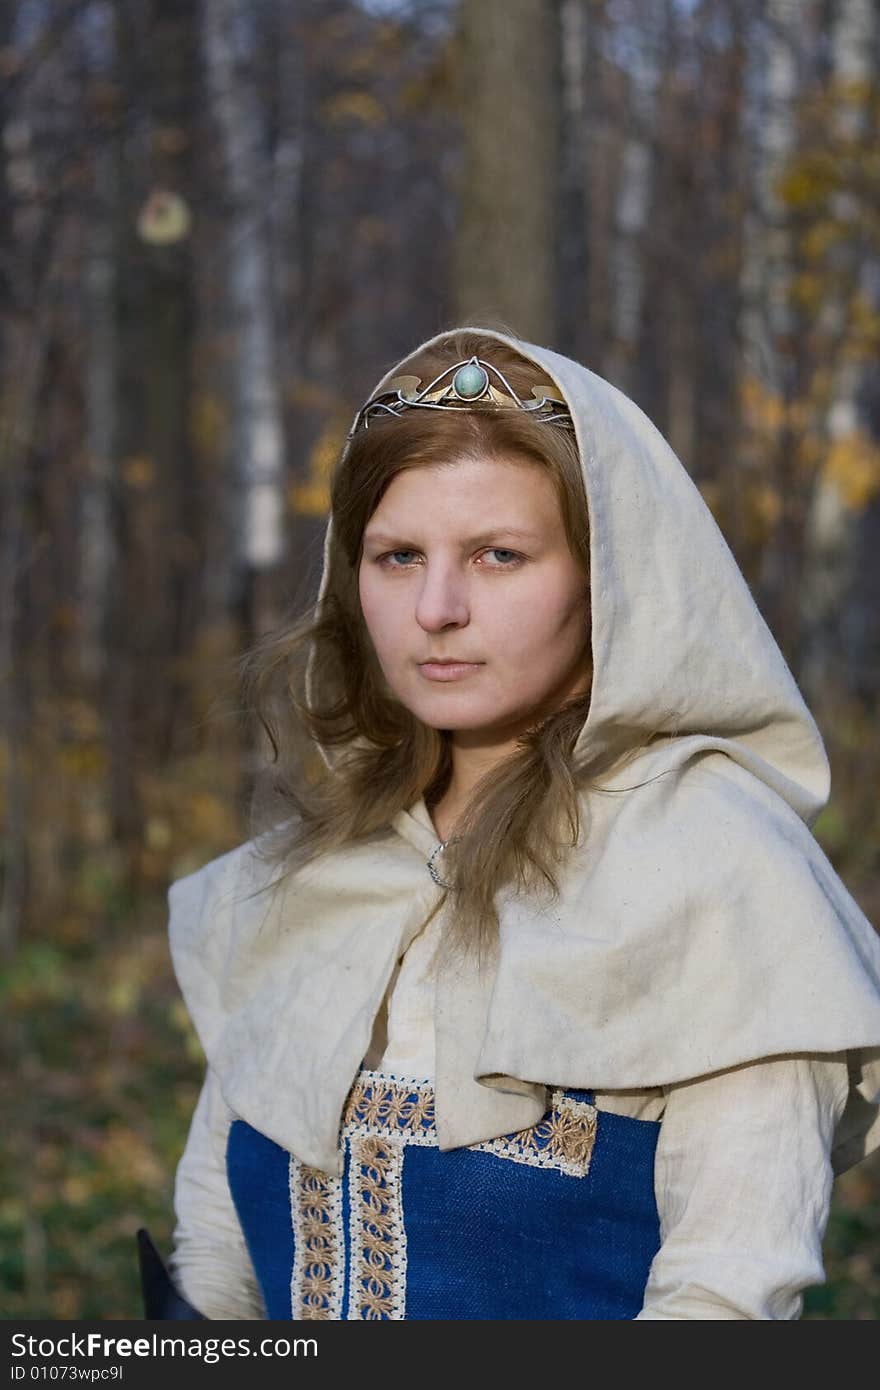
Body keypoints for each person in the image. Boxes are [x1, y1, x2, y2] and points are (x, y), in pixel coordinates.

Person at [147, 325, 880, 1321]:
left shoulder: (721, 874)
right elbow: (216, 1265)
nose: (437, 607)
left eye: (499, 555)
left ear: (605, 581)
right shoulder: (316, 869)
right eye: (397, 556)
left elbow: (724, 1297)